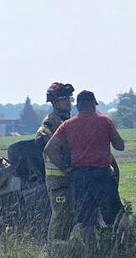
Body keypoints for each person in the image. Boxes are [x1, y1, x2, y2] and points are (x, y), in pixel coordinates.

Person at [44, 90, 125, 248]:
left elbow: (49, 148)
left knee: (86, 219)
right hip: (102, 176)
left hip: (79, 177)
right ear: (91, 104)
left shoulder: (67, 125)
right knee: (117, 214)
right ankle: (118, 247)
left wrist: (65, 167)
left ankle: (91, 251)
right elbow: (120, 146)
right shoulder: (104, 121)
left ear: (78, 106)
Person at [35, 82, 76, 241]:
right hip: (58, 179)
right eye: (62, 98)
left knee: (71, 214)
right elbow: (43, 142)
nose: (67, 102)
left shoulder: (68, 121)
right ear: (54, 102)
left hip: (70, 177)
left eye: (68, 98)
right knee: (60, 216)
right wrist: (65, 167)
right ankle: (54, 249)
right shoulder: (50, 122)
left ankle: (67, 247)